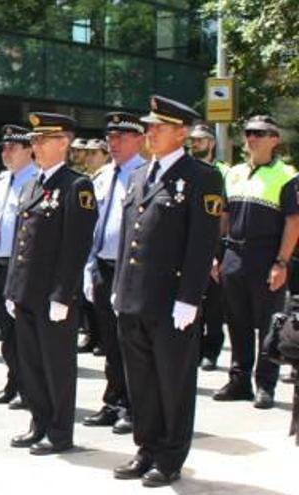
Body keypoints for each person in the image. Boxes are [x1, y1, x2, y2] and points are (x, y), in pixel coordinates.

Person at [111, 95, 223, 487]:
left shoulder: (202, 176)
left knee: (173, 381)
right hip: (134, 297)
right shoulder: (141, 175)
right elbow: (129, 237)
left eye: (158, 127)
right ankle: (147, 448)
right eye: (148, 127)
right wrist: (119, 287)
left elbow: (201, 242)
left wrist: (190, 297)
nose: (150, 133)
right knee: (140, 381)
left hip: (171, 300)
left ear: (181, 133)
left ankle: (171, 456)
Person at [4, 112, 97, 456]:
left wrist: (64, 294)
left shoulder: (77, 186)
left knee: (57, 366)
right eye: (34, 140)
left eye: (43, 140)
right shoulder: (31, 184)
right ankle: (39, 423)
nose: (35, 146)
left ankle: (60, 433)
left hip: (53, 295)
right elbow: (20, 241)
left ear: (64, 142)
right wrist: (12, 289)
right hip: (27, 291)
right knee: (30, 363)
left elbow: (76, 246)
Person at [214, 115, 299, 409]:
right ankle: (239, 381)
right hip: (234, 255)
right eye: (249, 133)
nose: (252, 138)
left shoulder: (287, 175)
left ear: (275, 139)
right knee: (236, 322)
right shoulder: (234, 173)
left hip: (266, 257)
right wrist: (217, 255)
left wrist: (282, 262)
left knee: (268, 325)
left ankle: (265, 385)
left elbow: (293, 222)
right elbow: (224, 216)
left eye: (260, 133)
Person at [81, 112, 146, 435]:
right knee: (109, 341)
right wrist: (89, 267)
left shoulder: (146, 176)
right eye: (110, 137)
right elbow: (94, 224)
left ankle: (134, 406)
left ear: (139, 139)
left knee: (130, 342)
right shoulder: (102, 177)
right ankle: (114, 400)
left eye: (121, 137)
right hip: (104, 267)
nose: (113, 143)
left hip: (131, 271)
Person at [0, 124, 37, 407]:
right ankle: (14, 381)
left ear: (29, 150)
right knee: (7, 334)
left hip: (20, 268)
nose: (6, 152)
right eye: (4, 147)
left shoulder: (37, 181)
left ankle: (30, 389)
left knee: (24, 335)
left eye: (12, 147)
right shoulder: (3, 179)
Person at [189, 123, 229, 370]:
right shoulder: (186, 169)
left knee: (214, 304)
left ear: (211, 143)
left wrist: (214, 253)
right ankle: (193, 347)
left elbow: (223, 216)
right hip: (190, 244)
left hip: (215, 245)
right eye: (192, 140)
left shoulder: (223, 172)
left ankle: (211, 351)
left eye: (200, 140)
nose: (195, 144)